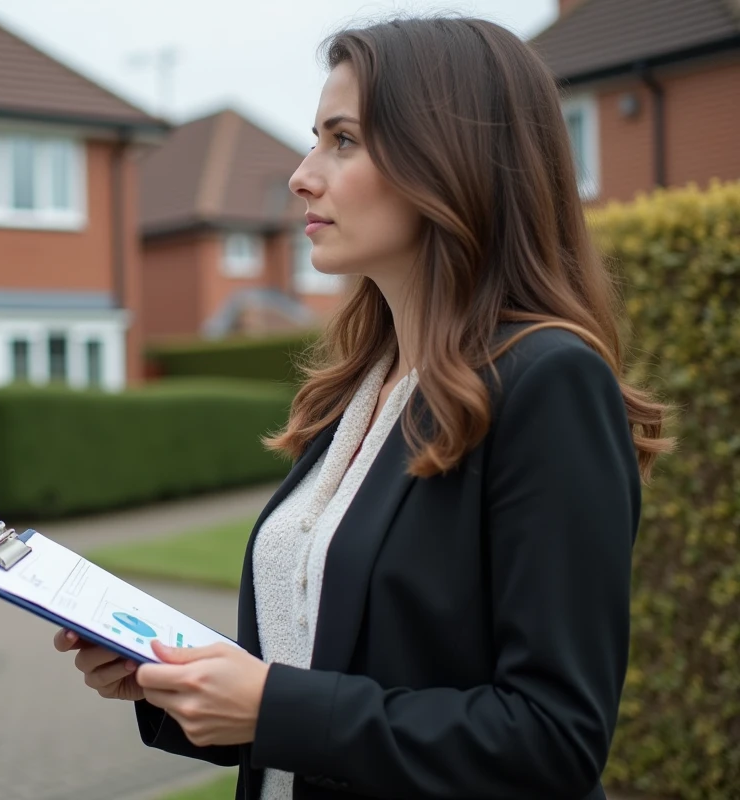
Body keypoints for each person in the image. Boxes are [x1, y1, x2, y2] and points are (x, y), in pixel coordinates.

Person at [55, 16, 672, 800]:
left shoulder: (548, 382)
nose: (302, 174)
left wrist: (273, 704)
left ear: (451, 163)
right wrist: (177, 686)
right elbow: (317, 668)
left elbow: (553, 738)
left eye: (342, 140)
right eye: (316, 138)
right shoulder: (362, 386)